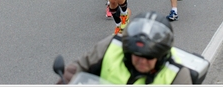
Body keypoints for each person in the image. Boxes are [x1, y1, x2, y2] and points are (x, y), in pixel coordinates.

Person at [57, 11, 193, 84]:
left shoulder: (177, 76)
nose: (142, 61)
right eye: (137, 54)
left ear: (161, 57)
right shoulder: (111, 46)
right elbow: (78, 68)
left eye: (149, 57)